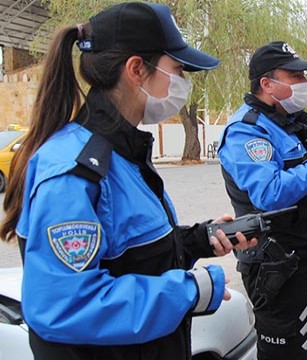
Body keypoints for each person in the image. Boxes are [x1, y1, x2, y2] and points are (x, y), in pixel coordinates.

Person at [0, 3, 257, 359]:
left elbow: (128, 254)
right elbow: (65, 307)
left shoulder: (124, 153)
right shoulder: (75, 170)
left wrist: (197, 240)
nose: (184, 82)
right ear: (137, 69)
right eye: (178, 69)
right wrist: (190, 291)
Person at [218, 41, 307, 360]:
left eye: (304, 76)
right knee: (285, 353)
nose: (303, 83)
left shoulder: (289, 124)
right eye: (295, 76)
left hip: (306, 259)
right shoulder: (248, 130)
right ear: (267, 84)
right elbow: (269, 193)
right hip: (276, 266)